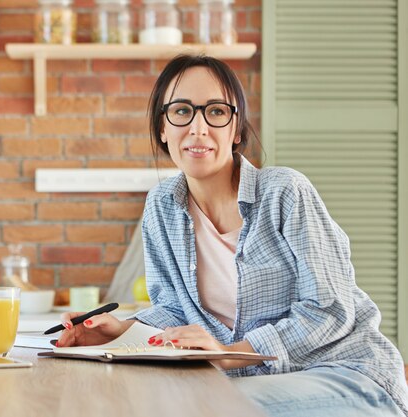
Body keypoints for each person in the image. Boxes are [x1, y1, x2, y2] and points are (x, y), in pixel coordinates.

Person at [56, 54, 408, 417]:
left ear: (236, 130)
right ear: (162, 128)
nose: (198, 128)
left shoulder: (285, 192)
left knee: (205, 404)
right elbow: (174, 308)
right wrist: (120, 330)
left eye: (216, 112)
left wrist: (228, 355)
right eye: (181, 112)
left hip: (347, 373)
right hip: (240, 380)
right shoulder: (161, 206)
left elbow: (330, 311)